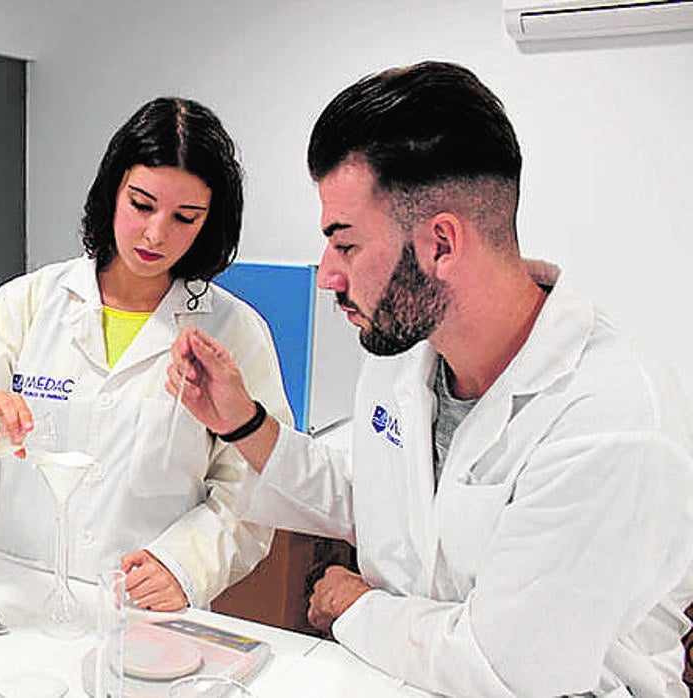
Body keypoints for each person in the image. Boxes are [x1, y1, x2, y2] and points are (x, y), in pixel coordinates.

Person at [169, 61, 693, 697]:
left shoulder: (611, 418)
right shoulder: (403, 358)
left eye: (347, 244)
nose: (328, 276)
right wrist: (241, 422)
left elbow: (505, 669)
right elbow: (376, 496)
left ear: (442, 243)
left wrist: (354, 607)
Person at [0, 97, 294, 611]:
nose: (157, 233)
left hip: (140, 608)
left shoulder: (233, 330)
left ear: (208, 223)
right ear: (112, 191)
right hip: (16, 593)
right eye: (141, 204)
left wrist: (185, 564)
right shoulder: (30, 301)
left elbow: (252, 487)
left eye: (185, 217)